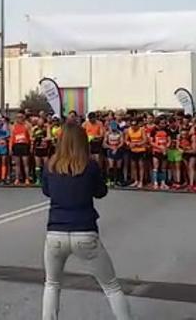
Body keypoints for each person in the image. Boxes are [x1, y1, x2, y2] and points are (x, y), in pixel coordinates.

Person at [40, 124, 132, 320]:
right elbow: (101, 192)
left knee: (52, 284)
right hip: (84, 230)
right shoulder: (89, 166)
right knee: (111, 286)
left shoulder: (51, 165)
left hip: (55, 231)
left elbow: (46, 191)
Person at [124, 118, 147, 189]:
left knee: (141, 166)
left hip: (141, 149)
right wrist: (129, 144)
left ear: (138, 125)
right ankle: (136, 180)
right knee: (134, 166)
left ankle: (141, 181)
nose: (133, 126)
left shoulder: (141, 130)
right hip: (133, 150)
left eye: (135, 125)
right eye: (132, 125)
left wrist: (138, 144)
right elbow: (126, 139)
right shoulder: (128, 130)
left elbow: (145, 140)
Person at [10, 113, 33, 185]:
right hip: (16, 146)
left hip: (24, 146)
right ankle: (17, 179)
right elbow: (12, 138)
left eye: (21, 117)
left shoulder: (27, 126)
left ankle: (27, 178)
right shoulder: (14, 127)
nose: (19, 118)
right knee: (17, 164)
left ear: (23, 118)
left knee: (25, 163)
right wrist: (10, 148)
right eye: (18, 117)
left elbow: (30, 137)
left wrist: (31, 146)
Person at [150, 118, 171, 190]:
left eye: (164, 123)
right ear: (158, 123)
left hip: (164, 151)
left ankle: (163, 182)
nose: (163, 125)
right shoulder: (153, 130)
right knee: (156, 167)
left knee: (163, 168)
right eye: (162, 123)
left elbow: (169, 140)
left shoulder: (167, 130)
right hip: (156, 151)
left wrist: (166, 147)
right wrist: (159, 147)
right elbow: (151, 142)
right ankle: (155, 183)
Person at [32, 117, 50, 186]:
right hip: (37, 148)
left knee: (46, 164)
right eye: (39, 122)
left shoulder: (46, 128)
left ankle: (46, 179)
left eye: (41, 121)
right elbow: (31, 137)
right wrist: (36, 138)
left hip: (44, 148)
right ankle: (38, 179)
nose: (40, 123)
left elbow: (49, 137)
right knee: (37, 165)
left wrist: (44, 139)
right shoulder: (34, 128)